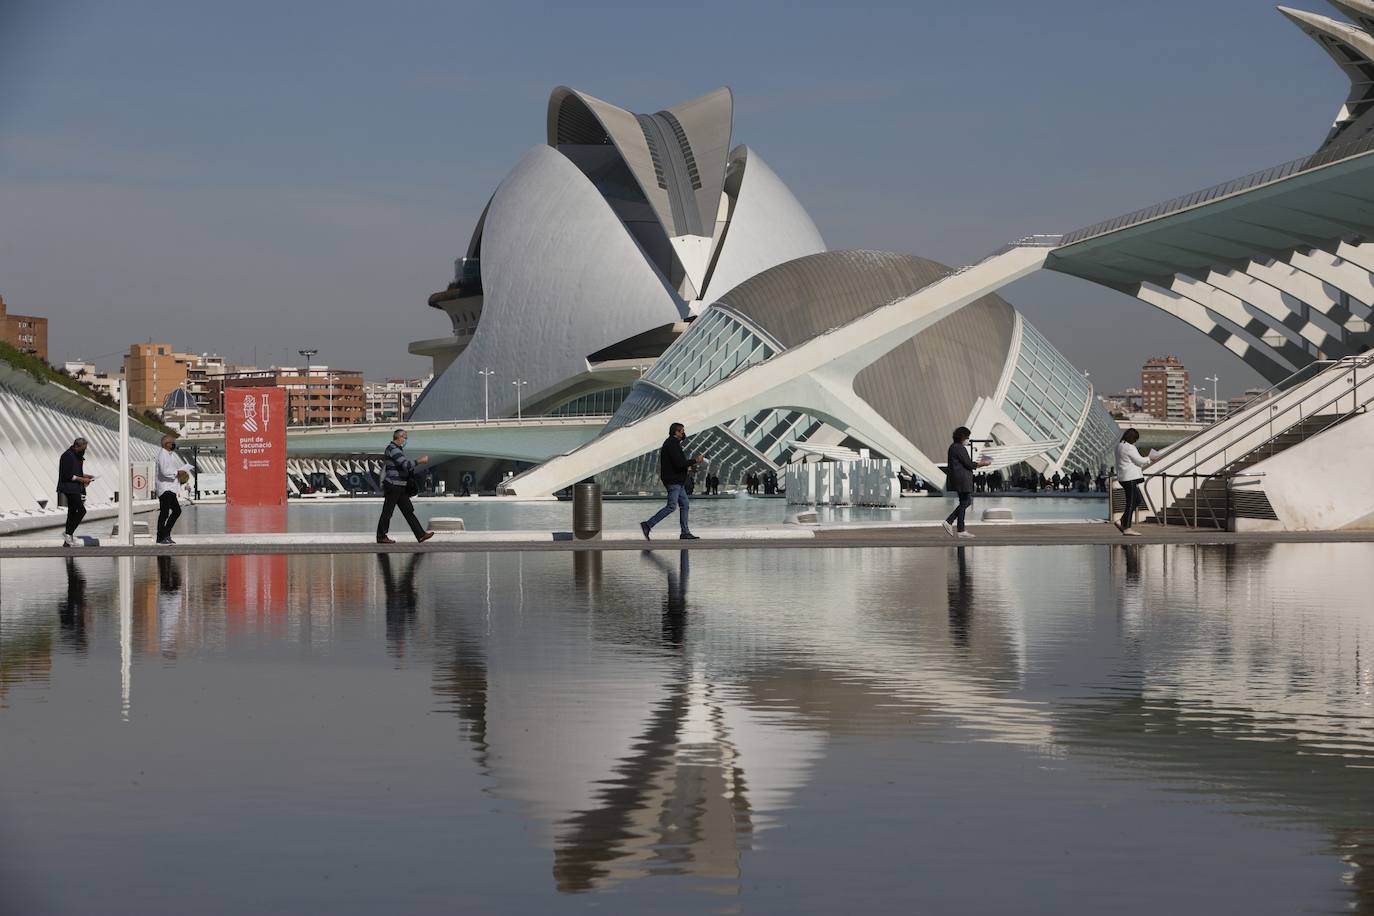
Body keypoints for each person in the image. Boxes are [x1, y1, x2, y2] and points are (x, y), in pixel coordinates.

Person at [640, 422, 703, 541]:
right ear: (676, 432)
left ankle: (685, 532)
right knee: (671, 506)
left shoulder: (673, 444)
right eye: (682, 431)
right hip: (674, 481)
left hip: (678, 481)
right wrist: (695, 460)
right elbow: (679, 463)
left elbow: (675, 465)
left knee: (685, 504)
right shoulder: (672, 444)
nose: (684, 433)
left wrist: (689, 468)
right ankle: (648, 525)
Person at [376, 428, 435, 545]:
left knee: (408, 511)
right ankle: (381, 536)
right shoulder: (393, 449)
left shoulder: (397, 449)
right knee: (388, 512)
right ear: (398, 437)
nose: (405, 440)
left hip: (400, 486)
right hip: (393, 486)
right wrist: (420, 461)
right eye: (405, 438)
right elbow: (406, 464)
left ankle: (421, 535)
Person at [942, 426, 990, 538]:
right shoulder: (959, 448)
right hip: (962, 479)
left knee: (964, 501)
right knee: (966, 502)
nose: (968, 440)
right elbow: (968, 464)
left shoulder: (953, 447)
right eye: (967, 437)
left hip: (958, 479)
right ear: (962, 437)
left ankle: (960, 529)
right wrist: (982, 463)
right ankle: (950, 522)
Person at [155, 434, 195, 545]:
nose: (174, 444)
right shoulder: (162, 454)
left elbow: (169, 470)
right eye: (172, 442)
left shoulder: (169, 454)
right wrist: (177, 473)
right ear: (167, 444)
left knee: (176, 511)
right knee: (164, 513)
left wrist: (178, 472)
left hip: (170, 489)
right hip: (165, 488)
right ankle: (160, 537)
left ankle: (166, 534)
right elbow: (164, 471)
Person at [56, 437, 94, 548]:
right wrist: (82, 480)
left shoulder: (76, 456)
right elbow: (67, 475)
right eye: (83, 448)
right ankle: (67, 534)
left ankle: (68, 541)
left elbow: (75, 472)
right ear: (77, 446)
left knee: (72, 512)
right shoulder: (67, 456)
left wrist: (86, 476)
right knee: (81, 511)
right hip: (69, 488)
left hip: (75, 488)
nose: (84, 451)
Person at [1115, 428, 1153, 536]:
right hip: (1130, 478)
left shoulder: (1119, 446)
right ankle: (1127, 528)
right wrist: (1151, 458)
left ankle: (1122, 520)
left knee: (1136, 500)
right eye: (1135, 439)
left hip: (1123, 477)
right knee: (1131, 502)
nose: (1135, 441)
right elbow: (1139, 461)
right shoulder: (1129, 447)